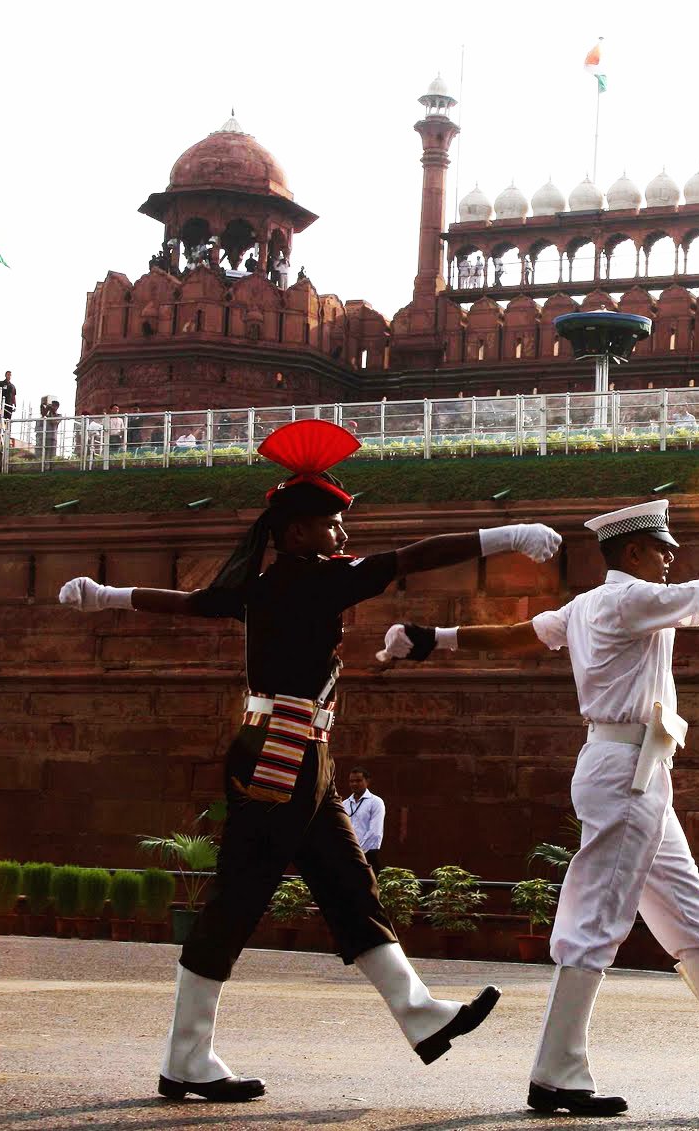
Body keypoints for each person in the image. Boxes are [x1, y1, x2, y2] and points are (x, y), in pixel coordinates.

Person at [56, 418, 564, 1102]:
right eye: (331, 525)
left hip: (302, 754)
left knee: (352, 890)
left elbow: (194, 603)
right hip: (280, 757)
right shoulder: (313, 581)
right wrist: (506, 535)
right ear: (297, 533)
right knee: (237, 899)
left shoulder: (266, 585)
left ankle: (420, 1016)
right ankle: (186, 1056)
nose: (342, 537)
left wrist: (107, 595)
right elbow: (412, 556)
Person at [379, 500, 699, 1116]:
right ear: (632, 554)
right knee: (595, 917)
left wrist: (434, 639)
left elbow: (523, 636)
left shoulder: (585, 606)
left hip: (637, 766)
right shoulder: (631, 601)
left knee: (685, 908)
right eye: (661, 548)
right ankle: (557, 1070)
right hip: (626, 769)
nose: (670, 557)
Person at [345, 768, 386, 873]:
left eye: (358, 780)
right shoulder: (344, 804)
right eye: (351, 781)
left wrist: (358, 852)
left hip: (368, 854)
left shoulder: (376, 802)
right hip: (346, 855)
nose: (354, 784)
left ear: (367, 781)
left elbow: (375, 833)